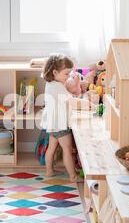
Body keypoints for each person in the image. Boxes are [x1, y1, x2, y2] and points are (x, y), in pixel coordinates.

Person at [40, 53, 93, 183]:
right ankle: (73, 176)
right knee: (67, 150)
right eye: (66, 74)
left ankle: (49, 171)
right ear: (55, 72)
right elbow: (71, 102)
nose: (68, 76)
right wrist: (91, 105)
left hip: (52, 123)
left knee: (52, 148)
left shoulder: (51, 83)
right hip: (60, 124)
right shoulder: (57, 87)